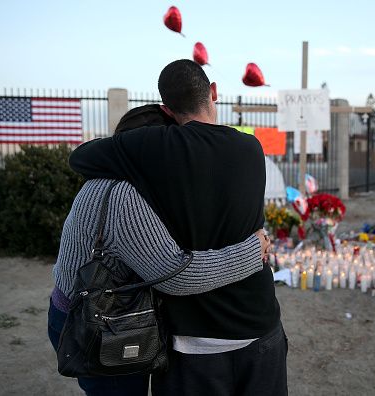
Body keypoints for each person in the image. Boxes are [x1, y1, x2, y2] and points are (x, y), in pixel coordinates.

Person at [69, 59, 287, 395]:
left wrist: (150, 142)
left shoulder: (151, 151)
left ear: (166, 110)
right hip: (259, 325)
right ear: (213, 92)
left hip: (193, 341)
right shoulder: (250, 148)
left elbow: (80, 158)